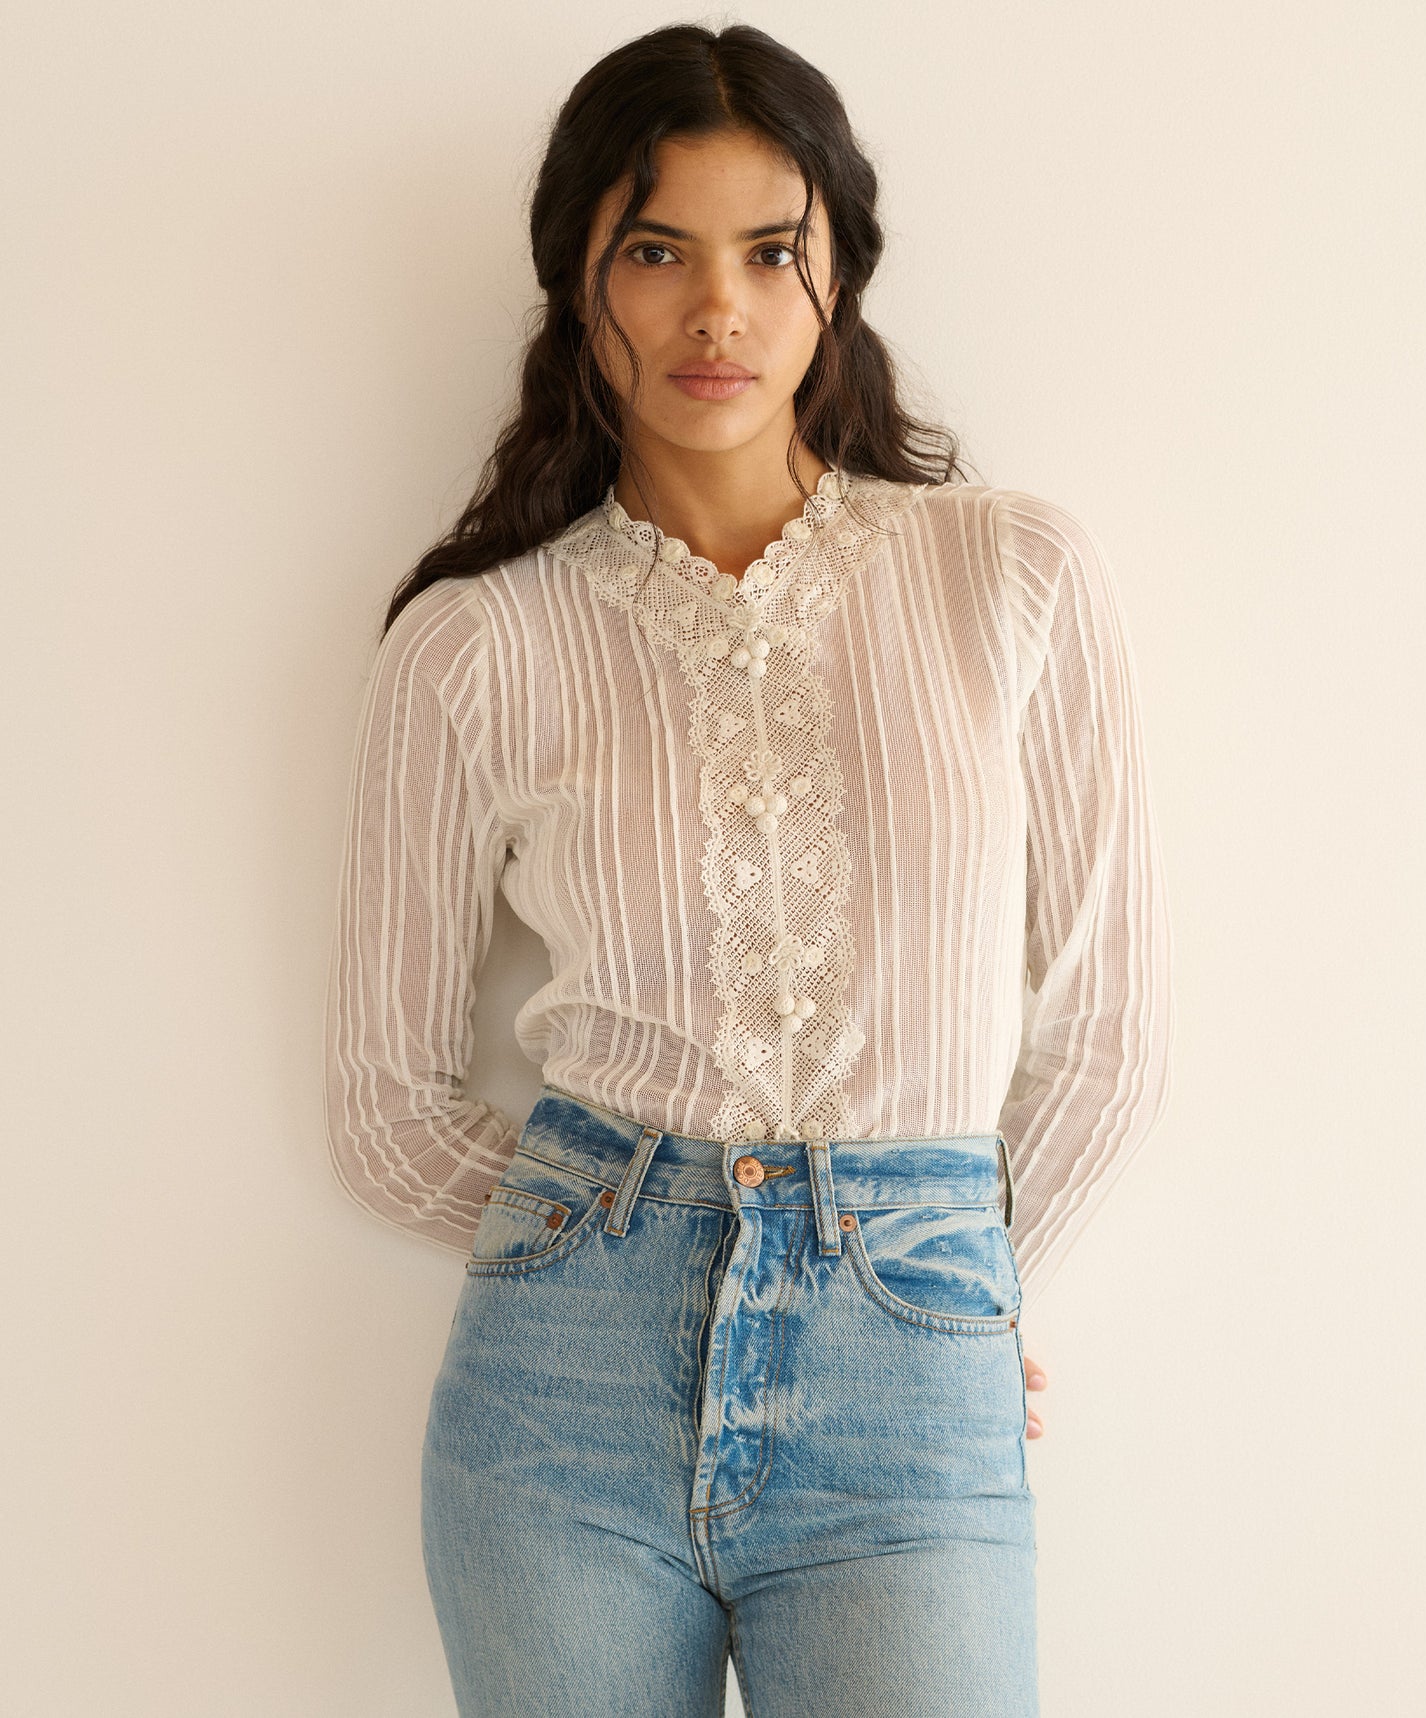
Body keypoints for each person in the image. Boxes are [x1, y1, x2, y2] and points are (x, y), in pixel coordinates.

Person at [322, 21, 1173, 1718]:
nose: (719, 309)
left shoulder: (1007, 578)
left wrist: (949, 1284)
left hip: (908, 1376)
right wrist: (596, 1239)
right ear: (584, 283)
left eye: (770, 250)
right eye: (658, 250)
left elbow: (1110, 1035)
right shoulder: (481, 646)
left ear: (835, 275)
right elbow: (381, 1098)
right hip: (557, 1407)